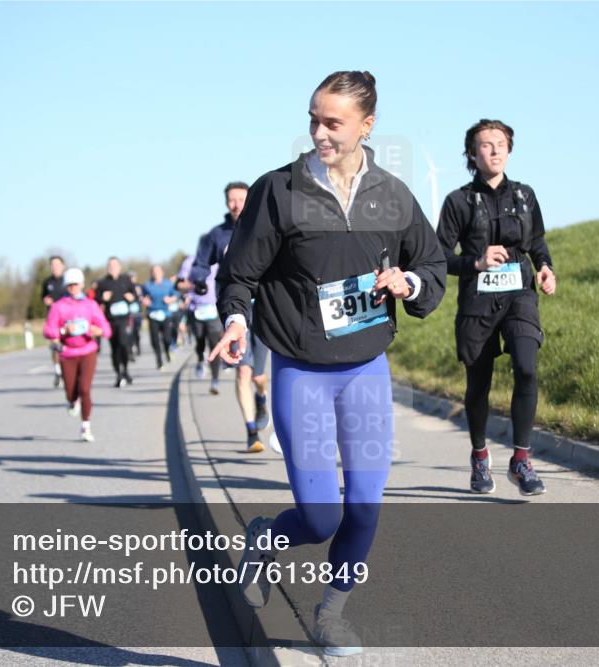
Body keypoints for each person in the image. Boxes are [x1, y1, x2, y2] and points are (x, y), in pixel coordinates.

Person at [210, 71, 446, 656]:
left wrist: (408, 281)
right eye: (313, 118)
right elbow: (240, 273)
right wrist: (237, 321)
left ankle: (332, 614)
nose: (319, 132)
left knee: (364, 506)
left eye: (333, 122)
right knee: (319, 516)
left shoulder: (392, 194)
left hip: (365, 367)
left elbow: (434, 267)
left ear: (367, 126)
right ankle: (265, 541)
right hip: (301, 368)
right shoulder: (279, 190)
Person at [435, 119, 557, 496]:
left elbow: (536, 240)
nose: (495, 150)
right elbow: (439, 257)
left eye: (501, 143)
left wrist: (545, 268)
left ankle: (521, 459)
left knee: (526, 367)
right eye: (486, 145)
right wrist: (475, 261)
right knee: (478, 386)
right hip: (477, 301)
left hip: (519, 295)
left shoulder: (525, 195)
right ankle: (479, 455)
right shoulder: (458, 201)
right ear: (472, 154)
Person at [192, 181, 271, 453]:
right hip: (234, 311)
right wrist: (199, 279)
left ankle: (262, 396)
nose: (236, 205)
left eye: (241, 199)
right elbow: (201, 263)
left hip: (264, 309)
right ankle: (251, 432)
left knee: (259, 377)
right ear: (226, 204)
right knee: (242, 372)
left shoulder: (264, 228)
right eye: (231, 201)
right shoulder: (217, 236)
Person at [43, 268, 111, 442]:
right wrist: (63, 330)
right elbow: (48, 330)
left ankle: (86, 426)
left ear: (81, 285)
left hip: (88, 351)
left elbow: (106, 330)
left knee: (85, 389)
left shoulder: (90, 305)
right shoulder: (59, 306)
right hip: (68, 353)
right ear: (67, 286)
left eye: (76, 284)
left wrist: (98, 330)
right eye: (70, 285)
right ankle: (73, 401)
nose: (73, 287)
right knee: (71, 392)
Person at [178, 249, 222, 393]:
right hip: (195, 309)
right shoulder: (189, 262)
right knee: (199, 340)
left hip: (213, 309)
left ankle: (215, 380)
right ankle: (200, 360)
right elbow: (179, 285)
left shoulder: (218, 261)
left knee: (214, 345)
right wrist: (192, 287)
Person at [96, 257, 138, 387]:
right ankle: (118, 373)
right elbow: (96, 300)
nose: (112, 268)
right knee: (114, 348)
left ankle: (125, 369)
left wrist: (132, 297)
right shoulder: (102, 283)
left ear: (120, 267)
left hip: (124, 319)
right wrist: (102, 298)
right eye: (110, 265)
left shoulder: (126, 280)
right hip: (110, 320)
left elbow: (135, 296)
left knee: (123, 344)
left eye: (115, 265)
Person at [142, 264, 179, 369]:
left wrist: (171, 299)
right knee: (154, 339)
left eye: (158, 271)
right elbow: (142, 296)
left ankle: (167, 351)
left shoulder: (168, 284)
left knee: (167, 338)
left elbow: (176, 295)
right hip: (153, 314)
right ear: (151, 273)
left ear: (162, 272)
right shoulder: (147, 285)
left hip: (165, 314)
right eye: (154, 271)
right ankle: (159, 360)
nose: (156, 273)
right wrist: (144, 300)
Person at [41, 255, 67, 387]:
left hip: (67, 318)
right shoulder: (47, 282)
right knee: (55, 347)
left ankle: (67, 369)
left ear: (63, 266)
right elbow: (43, 297)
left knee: (66, 346)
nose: (55, 267)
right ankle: (58, 370)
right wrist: (46, 301)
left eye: (57, 264)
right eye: (52, 265)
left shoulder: (68, 281)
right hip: (53, 319)